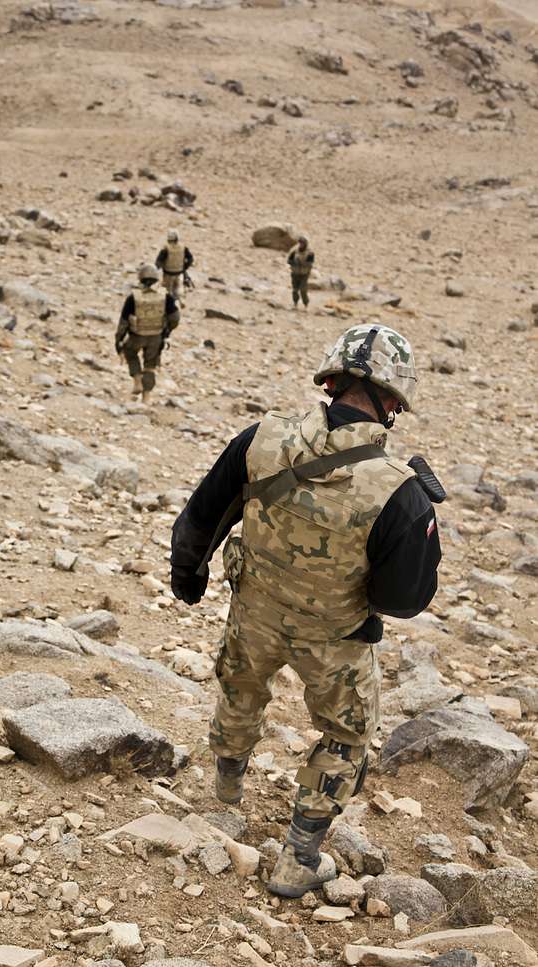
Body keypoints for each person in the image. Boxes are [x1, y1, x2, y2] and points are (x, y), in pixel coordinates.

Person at [170, 323, 442, 898]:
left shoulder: (260, 439)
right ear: (394, 403)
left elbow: (202, 515)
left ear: (329, 380)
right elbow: (404, 600)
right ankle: (299, 856)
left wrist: (186, 574)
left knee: (240, 690)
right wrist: (424, 525)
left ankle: (226, 790)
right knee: (347, 733)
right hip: (337, 640)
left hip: (255, 613)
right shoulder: (400, 490)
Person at [115, 264, 180, 403]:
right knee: (150, 365)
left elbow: (123, 322)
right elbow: (175, 317)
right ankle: (146, 397)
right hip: (156, 336)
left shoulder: (134, 297)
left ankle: (137, 380)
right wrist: (167, 330)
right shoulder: (165, 296)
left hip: (137, 335)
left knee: (130, 352)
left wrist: (119, 340)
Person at [156, 229, 194, 303]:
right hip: (179, 273)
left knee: (167, 292)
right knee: (176, 290)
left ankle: (169, 306)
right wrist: (184, 267)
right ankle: (177, 303)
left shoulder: (166, 248)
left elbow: (158, 262)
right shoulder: (183, 247)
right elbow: (190, 259)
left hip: (168, 274)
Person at [287, 235, 315, 309]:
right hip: (295, 273)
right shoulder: (294, 252)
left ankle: (306, 304)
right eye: (300, 243)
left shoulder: (310, 253)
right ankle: (295, 303)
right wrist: (294, 262)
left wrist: (302, 263)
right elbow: (289, 260)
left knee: (303, 290)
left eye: (302, 243)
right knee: (295, 290)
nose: (301, 245)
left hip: (304, 274)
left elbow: (310, 263)